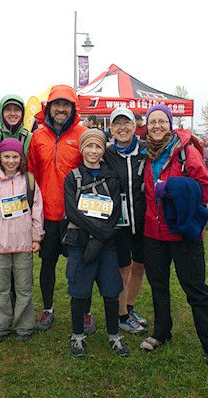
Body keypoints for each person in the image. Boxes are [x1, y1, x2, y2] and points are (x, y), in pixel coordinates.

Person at [140, 104, 208, 368]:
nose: (157, 126)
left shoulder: (185, 151)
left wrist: (170, 188)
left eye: (162, 121)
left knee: (195, 290)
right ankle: (161, 332)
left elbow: (207, 189)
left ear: (170, 124)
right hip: (152, 233)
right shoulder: (146, 153)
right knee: (158, 287)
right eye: (152, 121)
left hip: (182, 233)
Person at [26, 84, 88, 332]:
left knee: (81, 264)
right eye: (57, 104)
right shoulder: (38, 137)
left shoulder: (83, 134)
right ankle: (48, 309)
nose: (61, 109)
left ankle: (85, 312)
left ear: (73, 108)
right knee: (48, 262)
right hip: (47, 214)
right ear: (48, 107)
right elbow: (31, 174)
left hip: (75, 216)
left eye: (66, 105)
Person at [63, 129, 129, 357]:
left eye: (98, 146)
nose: (93, 151)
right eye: (89, 146)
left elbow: (115, 212)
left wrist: (100, 238)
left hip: (106, 245)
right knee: (79, 292)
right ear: (81, 149)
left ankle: (114, 335)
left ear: (103, 150)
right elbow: (72, 211)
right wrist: (95, 234)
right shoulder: (73, 177)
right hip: (79, 243)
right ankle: (77, 336)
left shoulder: (111, 178)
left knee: (111, 292)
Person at [0, 138, 44, 342]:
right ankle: (1, 326)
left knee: (24, 288)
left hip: (24, 244)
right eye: (6, 156)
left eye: (15, 156)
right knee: (1, 289)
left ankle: (24, 326)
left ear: (21, 158)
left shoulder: (29, 181)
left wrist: (36, 237)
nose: (10, 161)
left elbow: (37, 210)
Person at [104, 107, 148, 335]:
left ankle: (129, 308)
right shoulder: (107, 153)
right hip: (119, 224)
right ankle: (121, 315)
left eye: (126, 122)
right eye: (117, 123)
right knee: (123, 268)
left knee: (140, 266)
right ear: (111, 129)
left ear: (135, 125)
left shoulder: (145, 150)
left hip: (143, 221)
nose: (122, 127)